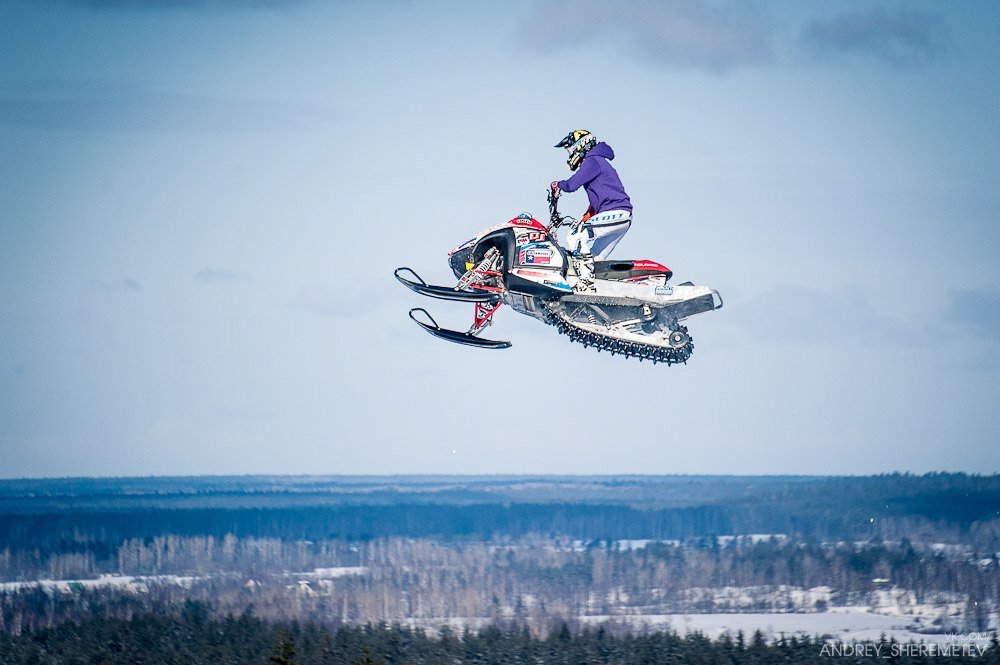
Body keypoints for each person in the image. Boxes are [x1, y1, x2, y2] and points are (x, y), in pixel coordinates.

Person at [550, 130, 633, 279]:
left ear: (580, 145)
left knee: (575, 236)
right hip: (619, 215)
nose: (570, 155)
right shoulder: (597, 161)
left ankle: (584, 282)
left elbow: (571, 185)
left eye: (570, 150)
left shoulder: (592, 160)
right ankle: (599, 288)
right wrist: (585, 218)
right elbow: (598, 199)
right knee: (595, 257)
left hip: (616, 212)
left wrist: (558, 185)